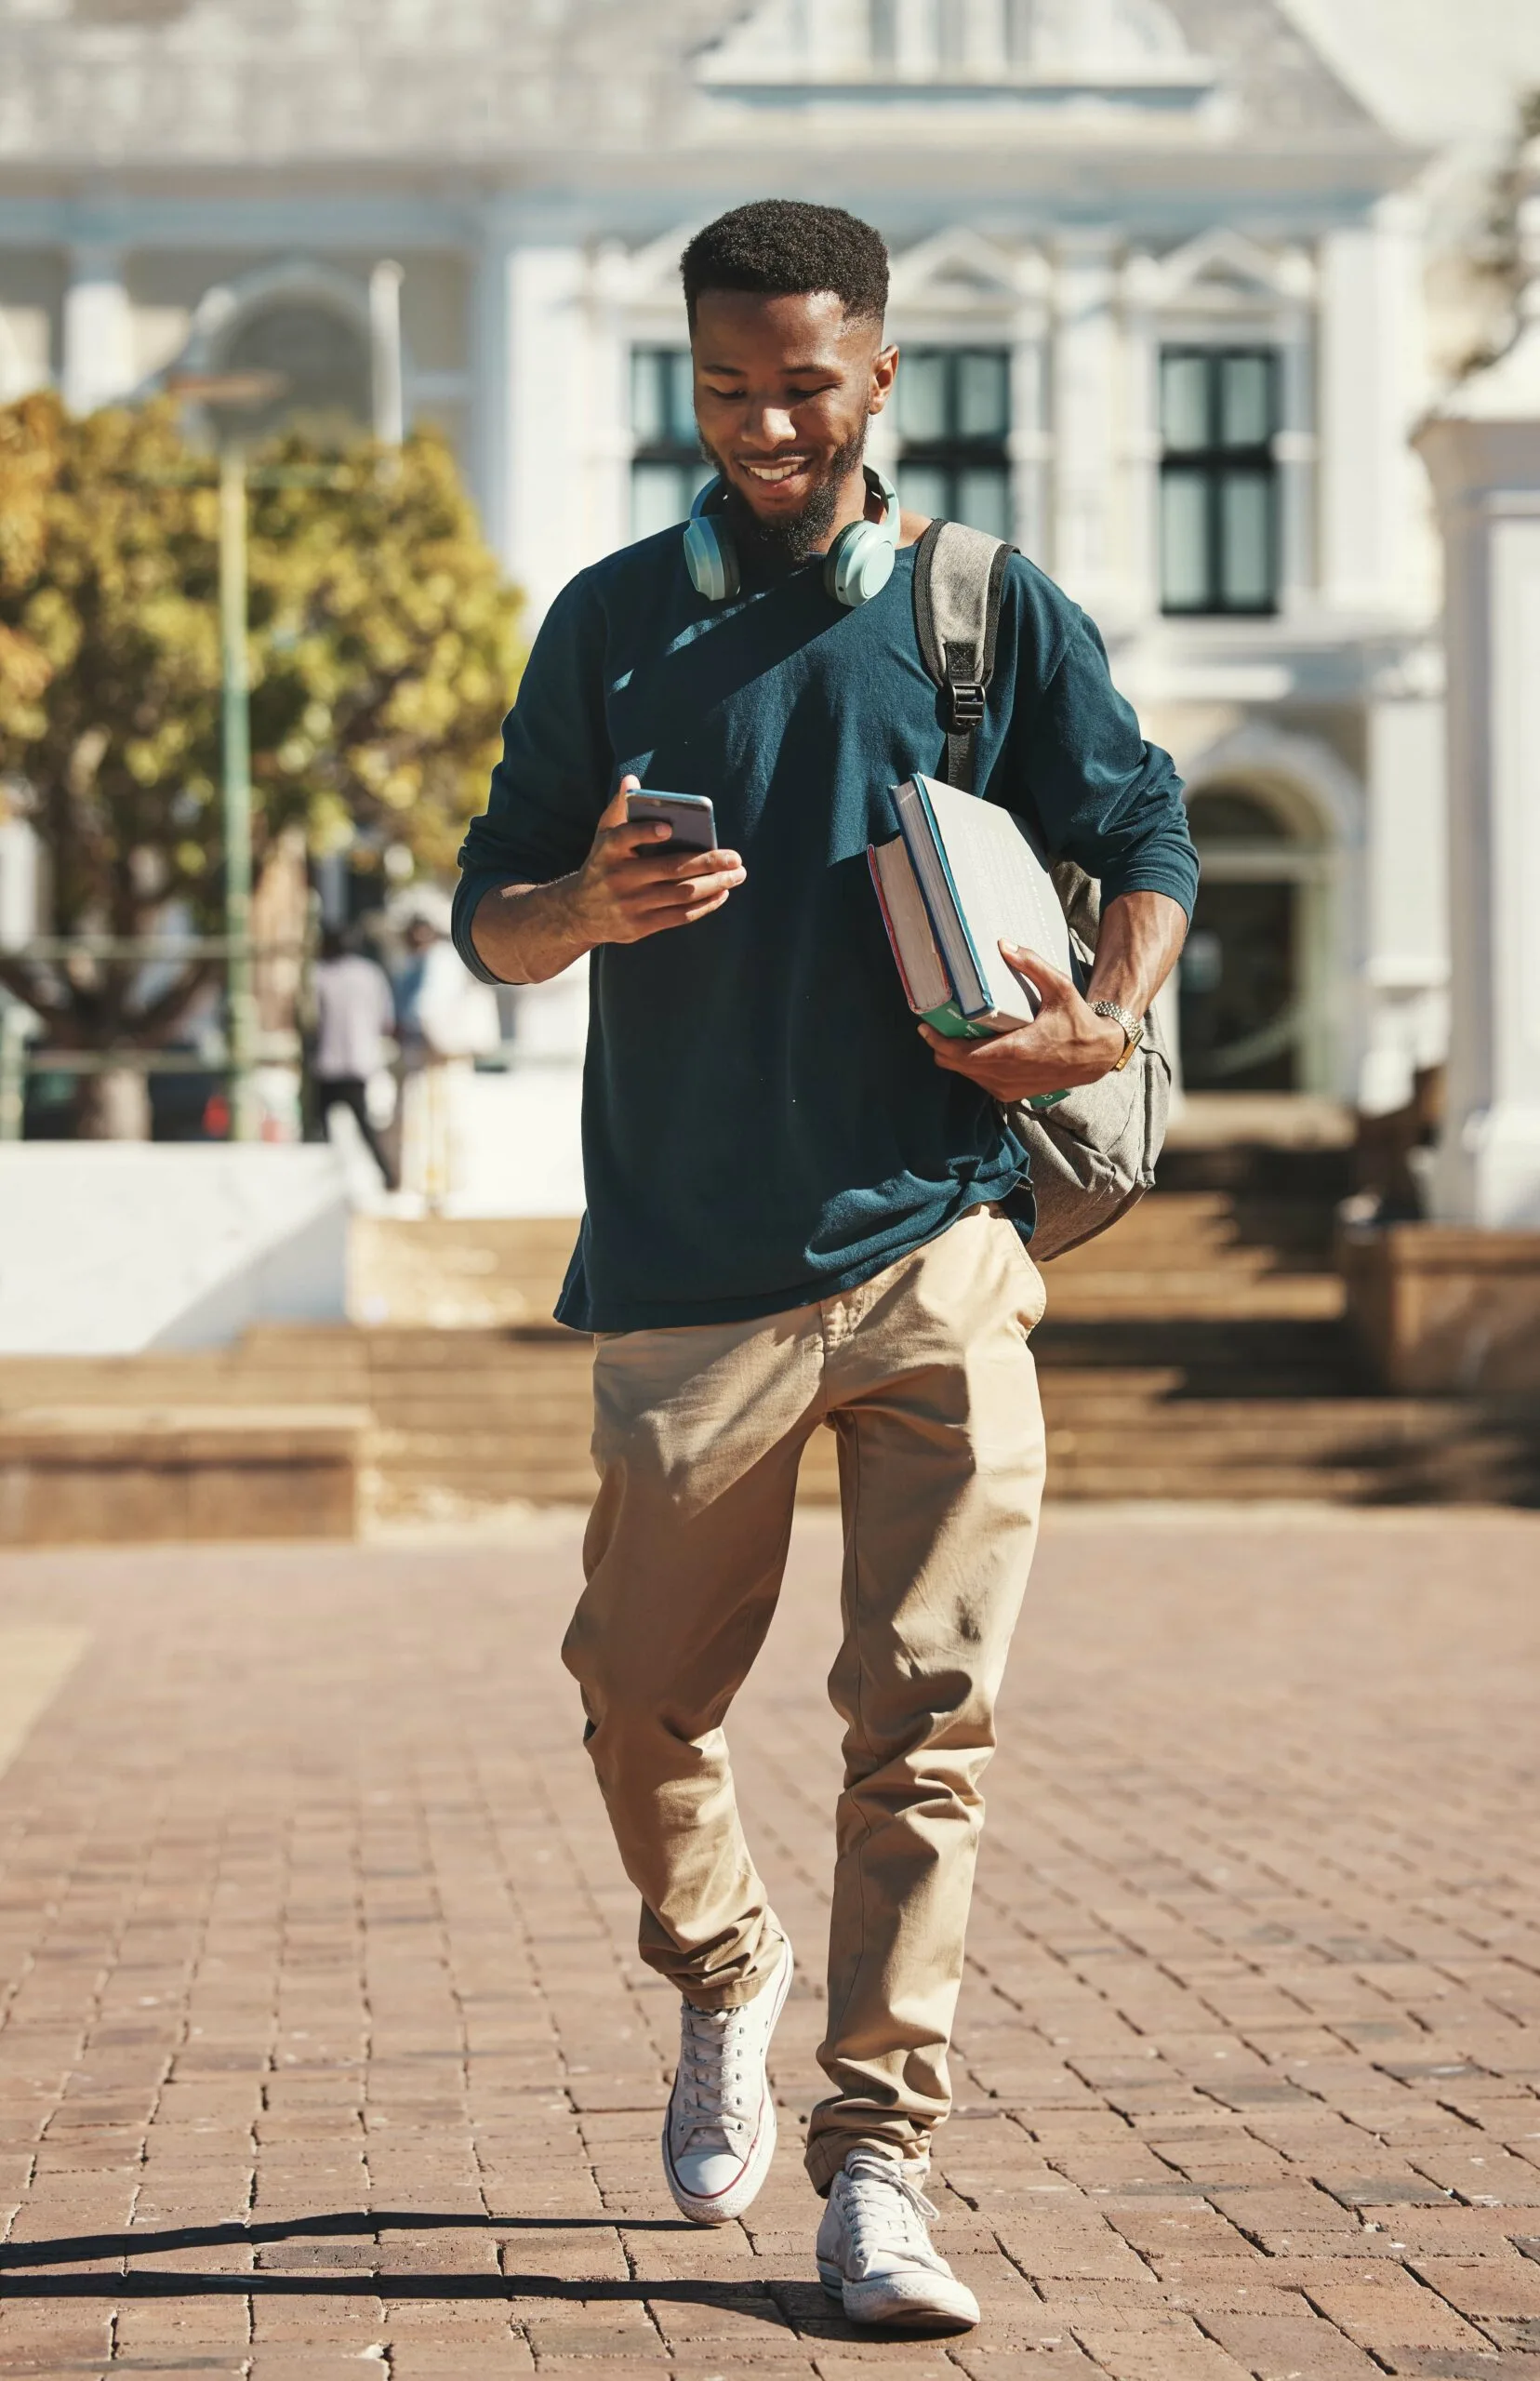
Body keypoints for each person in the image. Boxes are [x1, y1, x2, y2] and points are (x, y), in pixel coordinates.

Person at [454, 200, 1197, 2334]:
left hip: (938, 1248)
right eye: (724, 390)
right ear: (687, 386)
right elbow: (482, 916)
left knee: (925, 1721)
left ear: (879, 374)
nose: (766, 424)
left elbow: (1138, 836)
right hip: (688, 1269)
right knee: (633, 1698)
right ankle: (719, 1968)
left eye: (804, 383)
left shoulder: (977, 612)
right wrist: (572, 903)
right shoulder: (608, 621)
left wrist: (1106, 1013)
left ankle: (875, 2161)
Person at [311, 924, 396, 1188]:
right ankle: (388, 1177)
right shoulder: (369, 973)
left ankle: (326, 1182)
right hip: (360, 1060)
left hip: (330, 1062)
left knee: (320, 1128)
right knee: (364, 1127)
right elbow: (386, 1018)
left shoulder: (320, 975)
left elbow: (311, 1018)